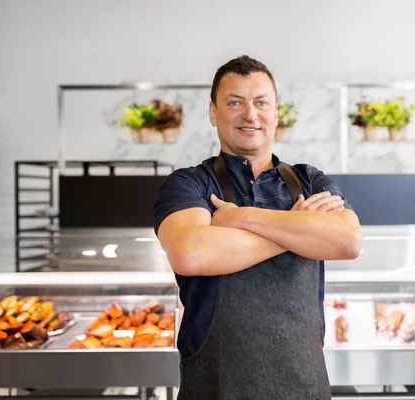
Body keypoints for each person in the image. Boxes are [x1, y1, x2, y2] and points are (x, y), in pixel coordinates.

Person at [153, 55, 362, 400]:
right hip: (215, 386)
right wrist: (300, 226)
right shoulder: (188, 184)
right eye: (235, 102)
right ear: (213, 113)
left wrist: (240, 218)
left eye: (261, 102)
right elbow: (191, 254)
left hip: (303, 385)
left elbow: (349, 241)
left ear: (275, 113)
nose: (250, 114)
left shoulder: (309, 181)